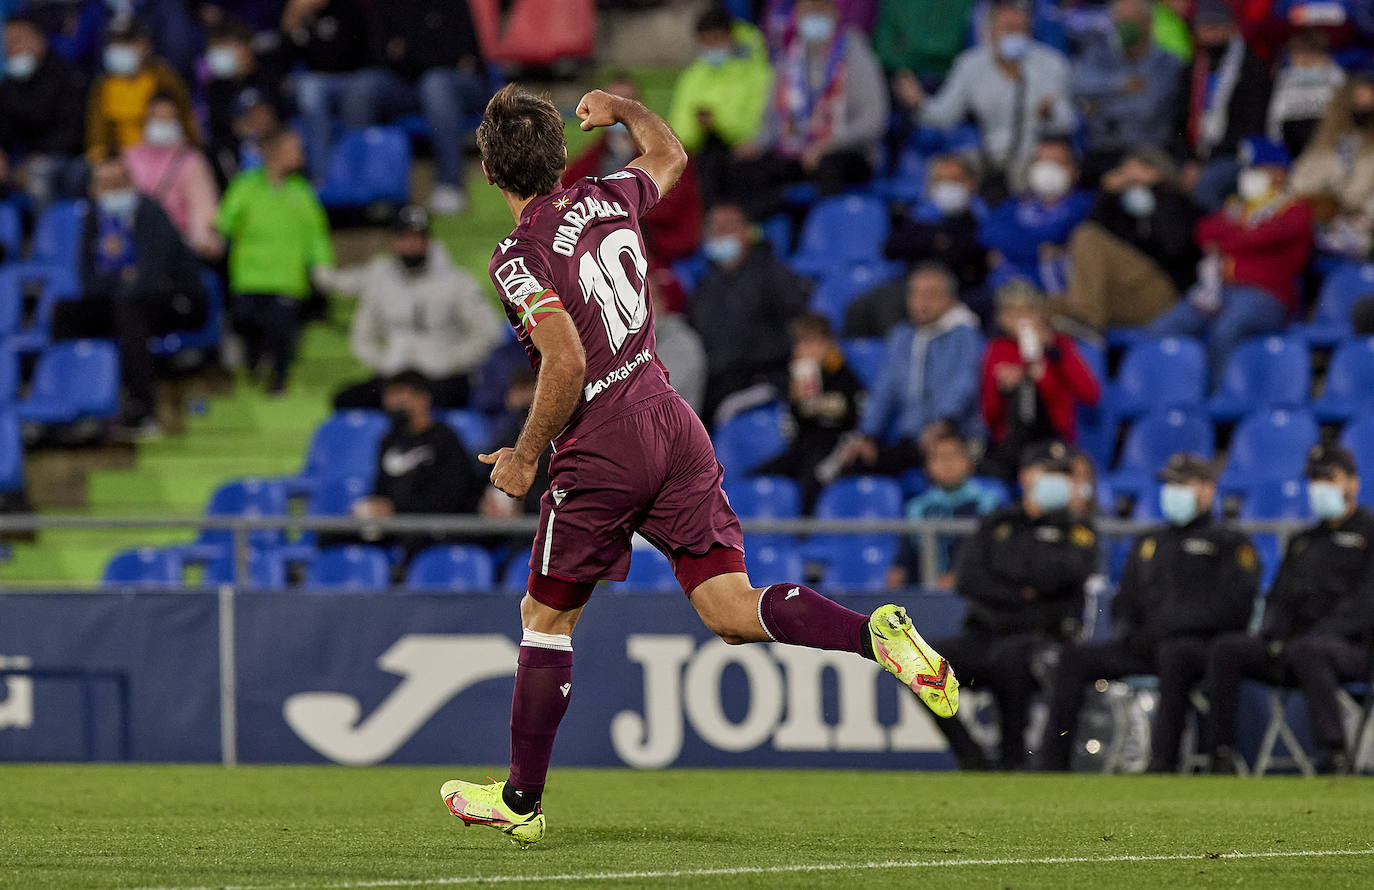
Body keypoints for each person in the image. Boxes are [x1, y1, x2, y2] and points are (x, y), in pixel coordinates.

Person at [439, 84, 958, 845]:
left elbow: (565, 358)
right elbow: (671, 155)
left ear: (489, 172)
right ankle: (871, 633)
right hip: (672, 422)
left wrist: (524, 457)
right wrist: (623, 105)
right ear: (556, 160)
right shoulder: (609, 197)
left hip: (604, 444)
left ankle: (520, 802)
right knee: (727, 609)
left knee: (545, 620)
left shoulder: (516, 255)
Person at [1041, 453, 1259, 772]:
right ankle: (1053, 762)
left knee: (1176, 653)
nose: (1174, 492)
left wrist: (1170, 627)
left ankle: (1163, 761)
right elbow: (1125, 601)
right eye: (1170, 484)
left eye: (1183, 484)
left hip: (1198, 647)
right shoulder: (1149, 542)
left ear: (1208, 490)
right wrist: (1130, 632)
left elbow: (1234, 607)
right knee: (1074, 657)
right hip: (1145, 645)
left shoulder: (1229, 543)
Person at [1205, 445, 1374, 775]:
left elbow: (1366, 604)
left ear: (1353, 483)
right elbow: (1279, 598)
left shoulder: (1370, 535)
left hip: (1355, 650)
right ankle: (1220, 753)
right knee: (1227, 649)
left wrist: (1318, 635)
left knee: (1310, 650)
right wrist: (1273, 635)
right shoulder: (1303, 541)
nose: (1319, 487)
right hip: (1296, 647)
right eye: (1314, 479)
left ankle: (1335, 753)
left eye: (1328, 477)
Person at [933, 442, 1098, 770]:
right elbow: (968, 580)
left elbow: (1062, 575)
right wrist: (1025, 589)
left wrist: (1009, 579)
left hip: (1041, 638)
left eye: (1062, 474)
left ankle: (1013, 758)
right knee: (921, 662)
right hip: (986, 632)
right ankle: (971, 756)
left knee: (1010, 658)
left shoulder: (1077, 531)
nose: (1056, 480)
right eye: (1048, 473)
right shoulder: (997, 523)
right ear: (1025, 477)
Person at [52, 156, 207, 435]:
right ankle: (69, 408)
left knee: (130, 308)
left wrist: (119, 280)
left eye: (121, 182)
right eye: (106, 184)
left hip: (180, 302)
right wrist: (122, 279)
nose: (115, 190)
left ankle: (142, 411)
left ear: (132, 183)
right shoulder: (94, 217)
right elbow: (88, 281)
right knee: (65, 312)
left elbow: (147, 278)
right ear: (93, 189)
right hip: (122, 302)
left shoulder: (150, 213)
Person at [1148, 137, 1313, 385]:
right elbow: (1203, 231)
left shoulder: (1295, 210)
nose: (1250, 175)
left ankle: (1216, 405)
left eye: (1258, 168)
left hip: (1267, 297)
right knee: (1163, 328)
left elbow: (1260, 237)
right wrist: (1240, 232)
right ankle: (1170, 396)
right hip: (1219, 291)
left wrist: (1231, 236)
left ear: (1279, 172)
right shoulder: (1239, 207)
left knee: (1226, 331)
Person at [321, 205, 502, 411]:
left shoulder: (456, 280)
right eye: (404, 238)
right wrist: (382, 363)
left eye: (416, 238)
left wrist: (453, 360)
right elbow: (363, 334)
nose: (410, 245)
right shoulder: (380, 278)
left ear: (427, 241)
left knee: (466, 399)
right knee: (344, 400)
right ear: (394, 241)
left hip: (441, 376)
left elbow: (488, 331)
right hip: (394, 374)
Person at [721, 0, 888, 216]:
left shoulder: (854, 51)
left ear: (834, 13)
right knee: (744, 168)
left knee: (828, 167)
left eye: (819, 10)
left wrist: (829, 145)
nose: (813, 18)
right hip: (798, 151)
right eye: (807, 11)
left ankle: (824, 237)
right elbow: (772, 119)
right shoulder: (788, 56)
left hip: (847, 152)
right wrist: (756, 143)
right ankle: (756, 238)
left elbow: (873, 120)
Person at [901, 0, 1076, 199]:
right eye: (1007, 29)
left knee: (1047, 173)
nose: (1014, 35)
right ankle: (937, 225)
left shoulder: (1052, 63)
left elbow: (1068, 121)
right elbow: (945, 114)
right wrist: (918, 102)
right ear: (990, 31)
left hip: (1034, 153)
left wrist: (1049, 113)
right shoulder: (970, 64)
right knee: (945, 169)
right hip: (988, 152)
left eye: (1020, 29)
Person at [215, 128, 334, 394]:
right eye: (295, 150)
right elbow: (226, 220)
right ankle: (254, 359)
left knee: (281, 332)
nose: (301, 157)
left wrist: (321, 263)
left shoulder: (301, 191)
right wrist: (216, 233)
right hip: (249, 274)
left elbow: (315, 231)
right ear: (275, 153)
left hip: (287, 276)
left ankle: (279, 381)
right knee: (246, 321)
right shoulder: (246, 185)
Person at [342, 0, 486, 215]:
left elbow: (460, 53)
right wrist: (424, 48)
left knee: (435, 85)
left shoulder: (453, 3)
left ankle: (450, 184)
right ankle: (363, 187)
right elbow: (377, 54)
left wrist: (408, 50)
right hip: (406, 84)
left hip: (459, 85)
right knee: (363, 88)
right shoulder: (388, 5)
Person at [839, 263, 983, 477]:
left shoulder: (965, 336)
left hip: (954, 434)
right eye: (916, 294)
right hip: (912, 438)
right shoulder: (902, 337)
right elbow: (883, 390)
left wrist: (943, 423)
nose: (922, 302)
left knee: (946, 466)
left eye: (931, 295)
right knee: (856, 463)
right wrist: (867, 434)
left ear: (950, 300)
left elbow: (964, 384)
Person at [687, 203, 811, 421]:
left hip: (764, 378)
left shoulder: (774, 275)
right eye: (714, 229)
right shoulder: (704, 287)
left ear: (747, 232)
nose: (720, 235)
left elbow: (798, 329)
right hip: (715, 383)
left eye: (728, 227)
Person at [348, 371, 485, 566]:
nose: (393, 403)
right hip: (394, 522)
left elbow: (451, 496)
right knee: (337, 535)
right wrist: (375, 506)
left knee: (417, 543)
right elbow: (381, 488)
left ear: (423, 399)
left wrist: (396, 508)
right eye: (390, 396)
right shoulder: (388, 440)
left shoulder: (445, 438)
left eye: (400, 395)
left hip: (433, 525)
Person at [565, 76, 702, 267]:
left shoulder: (672, 155)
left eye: (625, 103)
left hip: (659, 256)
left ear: (641, 107)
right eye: (610, 103)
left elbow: (674, 205)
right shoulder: (591, 158)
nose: (617, 111)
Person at [1059, 147, 1199, 332]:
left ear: (1159, 171)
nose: (1129, 176)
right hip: (1122, 295)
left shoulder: (1175, 201)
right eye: (1125, 170)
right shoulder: (1121, 202)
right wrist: (1108, 194)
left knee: (1087, 235)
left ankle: (1087, 325)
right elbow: (1097, 231)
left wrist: (1157, 191)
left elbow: (1174, 246)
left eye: (1139, 169)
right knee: (1043, 308)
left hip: (1160, 293)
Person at [980, 281, 1100, 481]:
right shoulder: (997, 350)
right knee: (1022, 390)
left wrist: (1052, 353)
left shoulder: (1060, 345)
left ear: (1040, 313)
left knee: (1027, 388)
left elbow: (1090, 394)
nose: (1021, 319)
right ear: (1001, 318)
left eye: (1027, 310)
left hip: (1053, 441)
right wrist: (1003, 387)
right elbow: (989, 415)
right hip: (1012, 445)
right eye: (1012, 312)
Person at [753, 313, 864, 510]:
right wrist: (794, 402)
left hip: (835, 447)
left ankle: (804, 538)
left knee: (811, 483)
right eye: (800, 345)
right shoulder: (797, 381)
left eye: (810, 344)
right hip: (803, 448)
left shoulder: (845, 378)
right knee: (756, 479)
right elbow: (793, 430)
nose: (803, 351)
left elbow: (857, 419)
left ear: (828, 345)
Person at [1171, 0, 1273, 211]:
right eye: (1205, 29)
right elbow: (1179, 121)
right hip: (1193, 156)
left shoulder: (1250, 69)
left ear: (1230, 29)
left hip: (1236, 155)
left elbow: (1251, 124)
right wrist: (1188, 161)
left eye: (1216, 28)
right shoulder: (1192, 70)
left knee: (1206, 187)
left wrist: (1203, 164)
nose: (1210, 36)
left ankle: (1218, 239)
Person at [1070, 0, 1182, 176]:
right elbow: (1078, 87)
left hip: (1149, 150)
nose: (1124, 26)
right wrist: (1120, 85)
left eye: (1132, 20)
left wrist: (1099, 107)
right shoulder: (1099, 54)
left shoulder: (1167, 62)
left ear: (1148, 24)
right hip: (1104, 149)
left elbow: (1147, 109)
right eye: (1120, 21)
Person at [887, 432, 1003, 591]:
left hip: (974, 590)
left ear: (968, 463)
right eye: (939, 457)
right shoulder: (918, 507)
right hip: (927, 591)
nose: (947, 464)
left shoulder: (987, 503)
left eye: (954, 456)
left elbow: (988, 552)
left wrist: (958, 575)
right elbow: (905, 556)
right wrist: (897, 572)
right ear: (927, 467)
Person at [978, 139, 1094, 295]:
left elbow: (1054, 234)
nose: (1047, 168)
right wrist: (1040, 249)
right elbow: (987, 233)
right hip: (1002, 291)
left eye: (1056, 161)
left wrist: (1008, 248)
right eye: (1041, 161)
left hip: (1052, 293)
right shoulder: (1016, 203)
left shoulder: (1085, 204)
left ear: (1074, 170)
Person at [0, 14, 87, 205]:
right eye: (8, 44)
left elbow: (73, 133)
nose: (12, 49)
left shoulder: (68, 77)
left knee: (40, 173)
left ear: (40, 41)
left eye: (18, 41)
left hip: (66, 159)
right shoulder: (9, 86)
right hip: (23, 162)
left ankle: (44, 233)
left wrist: (33, 160)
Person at [122, 93, 220, 258]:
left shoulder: (191, 161)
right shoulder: (128, 158)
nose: (162, 124)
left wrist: (201, 241)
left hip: (177, 246)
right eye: (157, 118)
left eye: (168, 118)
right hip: (135, 245)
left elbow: (202, 209)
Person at [283, 0, 370, 184]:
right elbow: (285, 60)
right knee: (308, 88)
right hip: (320, 85)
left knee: (317, 87)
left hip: (352, 79)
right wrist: (291, 27)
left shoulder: (346, 9)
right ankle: (321, 177)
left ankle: (357, 171)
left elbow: (338, 59)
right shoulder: (303, 17)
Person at [1290, 72, 1374, 262]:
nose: (1363, 102)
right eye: (1358, 96)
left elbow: (1363, 198)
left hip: (1358, 225)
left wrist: (1345, 207)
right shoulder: (1326, 142)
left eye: (1369, 97)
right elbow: (1299, 181)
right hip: (1313, 217)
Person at [85, 19, 197, 161]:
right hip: (119, 161)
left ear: (145, 45)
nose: (119, 49)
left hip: (161, 157)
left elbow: (185, 118)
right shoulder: (103, 84)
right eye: (114, 43)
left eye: (126, 43)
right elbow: (97, 133)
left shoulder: (163, 77)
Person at [668, 7, 773, 157]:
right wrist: (699, 128)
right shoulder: (692, 76)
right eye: (706, 40)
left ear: (731, 37)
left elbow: (756, 123)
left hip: (747, 153)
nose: (712, 45)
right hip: (702, 151)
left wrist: (718, 123)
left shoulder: (756, 73)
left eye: (717, 38)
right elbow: (678, 127)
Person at [203, 18, 287, 187]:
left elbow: (279, 113)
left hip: (269, 140)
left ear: (245, 47)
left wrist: (263, 123)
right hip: (234, 148)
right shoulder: (216, 87)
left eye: (224, 47)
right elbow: (218, 123)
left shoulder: (268, 76)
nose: (218, 54)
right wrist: (240, 126)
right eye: (215, 48)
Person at [1266, 29, 1345, 159]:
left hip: (1327, 143)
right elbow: (1275, 115)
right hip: (1291, 144)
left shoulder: (1336, 77)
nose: (1303, 60)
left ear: (1323, 55)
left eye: (1309, 54)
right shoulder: (1285, 78)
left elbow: (1341, 118)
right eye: (1297, 54)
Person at [872, 0, 975, 85]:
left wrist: (906, 53)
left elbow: (945, 48)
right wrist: (902, 70)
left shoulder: (961, 4)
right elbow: (882, 43)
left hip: (937, 77)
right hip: (893, 73)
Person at [648, 269, 707, 416]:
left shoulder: (681, 342)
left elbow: (651, 397)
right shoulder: (635, 344)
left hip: (669, 435)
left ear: (662, 303)